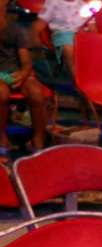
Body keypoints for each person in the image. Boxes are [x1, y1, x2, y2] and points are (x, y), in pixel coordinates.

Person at [0, 0, 47, 162]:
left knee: (36, 92)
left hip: (14, 71)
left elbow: (26, 62)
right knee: (1, 93)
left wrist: (24, 74)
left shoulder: (16, 30)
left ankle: (37, 142)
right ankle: (2, 141)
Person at [32, 0, 98, 79]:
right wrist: (35, 35)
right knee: (68, 48)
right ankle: (76, 77)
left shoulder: (83, 5)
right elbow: (41, 22)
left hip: (81, 35)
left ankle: (95, 76)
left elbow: (93, 29)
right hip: (62, 33)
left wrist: (90, 35)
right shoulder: (53, 3)